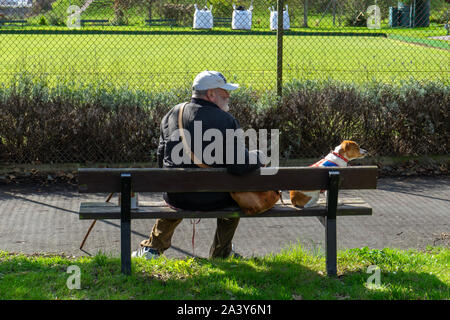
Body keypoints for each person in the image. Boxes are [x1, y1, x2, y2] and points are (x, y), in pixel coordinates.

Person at [132, 70, 264, 260]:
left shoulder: (172, 114)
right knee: (234, 198)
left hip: (177, 196)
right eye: (224, 92)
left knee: (176, 189)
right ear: (211, 94)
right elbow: (239, 166)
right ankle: (221, 253)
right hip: (216, 198)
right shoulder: (226, 121)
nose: (229, 96)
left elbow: (162, 159)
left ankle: (152, 249)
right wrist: (257, 157)